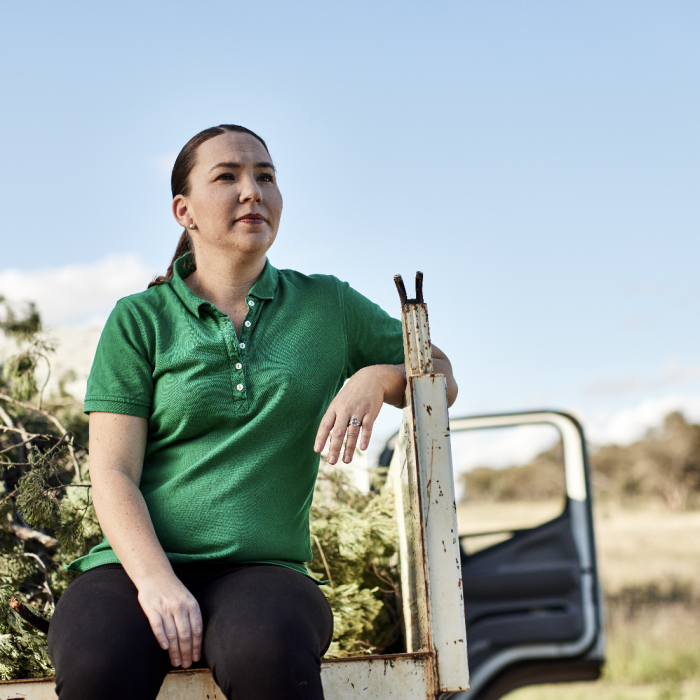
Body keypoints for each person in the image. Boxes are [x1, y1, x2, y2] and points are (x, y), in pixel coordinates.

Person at [47, 124, 458, 700]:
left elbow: (440, 375)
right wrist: (159, 584)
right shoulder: (139, 319)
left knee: (266, 650)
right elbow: (113, 472)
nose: (252, 190)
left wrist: (378, 375)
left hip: (264, 572)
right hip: (134, 567)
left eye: (266, 176)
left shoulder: (328, 305)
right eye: (228, 177)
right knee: (97, 662)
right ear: (183, 210)